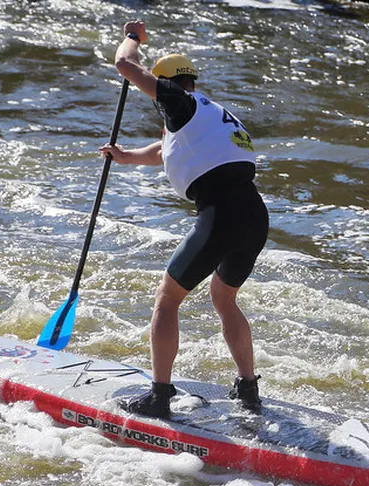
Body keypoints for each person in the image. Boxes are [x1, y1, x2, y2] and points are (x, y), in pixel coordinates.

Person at [101, 21, 269, 418]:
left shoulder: (177, 99)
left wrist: (133, 38)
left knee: (167, 299)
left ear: (167, 84)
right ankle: (248, 388)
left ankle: (159, 396)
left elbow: (124, 64)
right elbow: (166, 149)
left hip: (221, 215)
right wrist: (127, 157)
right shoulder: (212, 113)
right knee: (223, 298)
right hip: (254, 216)